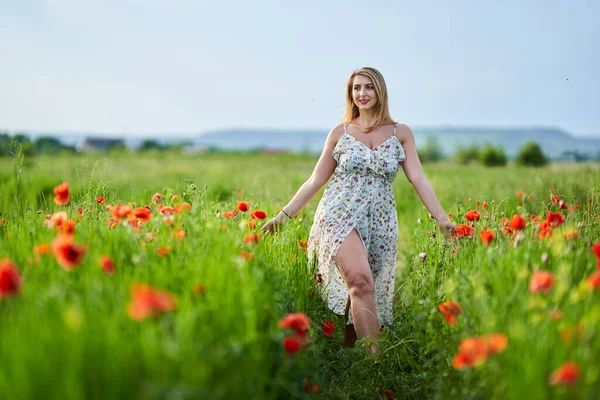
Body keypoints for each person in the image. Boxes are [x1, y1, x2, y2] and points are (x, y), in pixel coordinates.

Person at [261, 67, 455, 354]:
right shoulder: (340, 132)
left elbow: (418, 178)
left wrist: (442, 219)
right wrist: (283, 216)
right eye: (356, 88)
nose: (361, 94)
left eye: (368, 87)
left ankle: (353, 358)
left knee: (365, 289)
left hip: (380, 221)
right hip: (339, 215)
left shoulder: (401, 133)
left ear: (380, 91)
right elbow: (316, 179)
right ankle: (376, 364)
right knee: (361, 282)